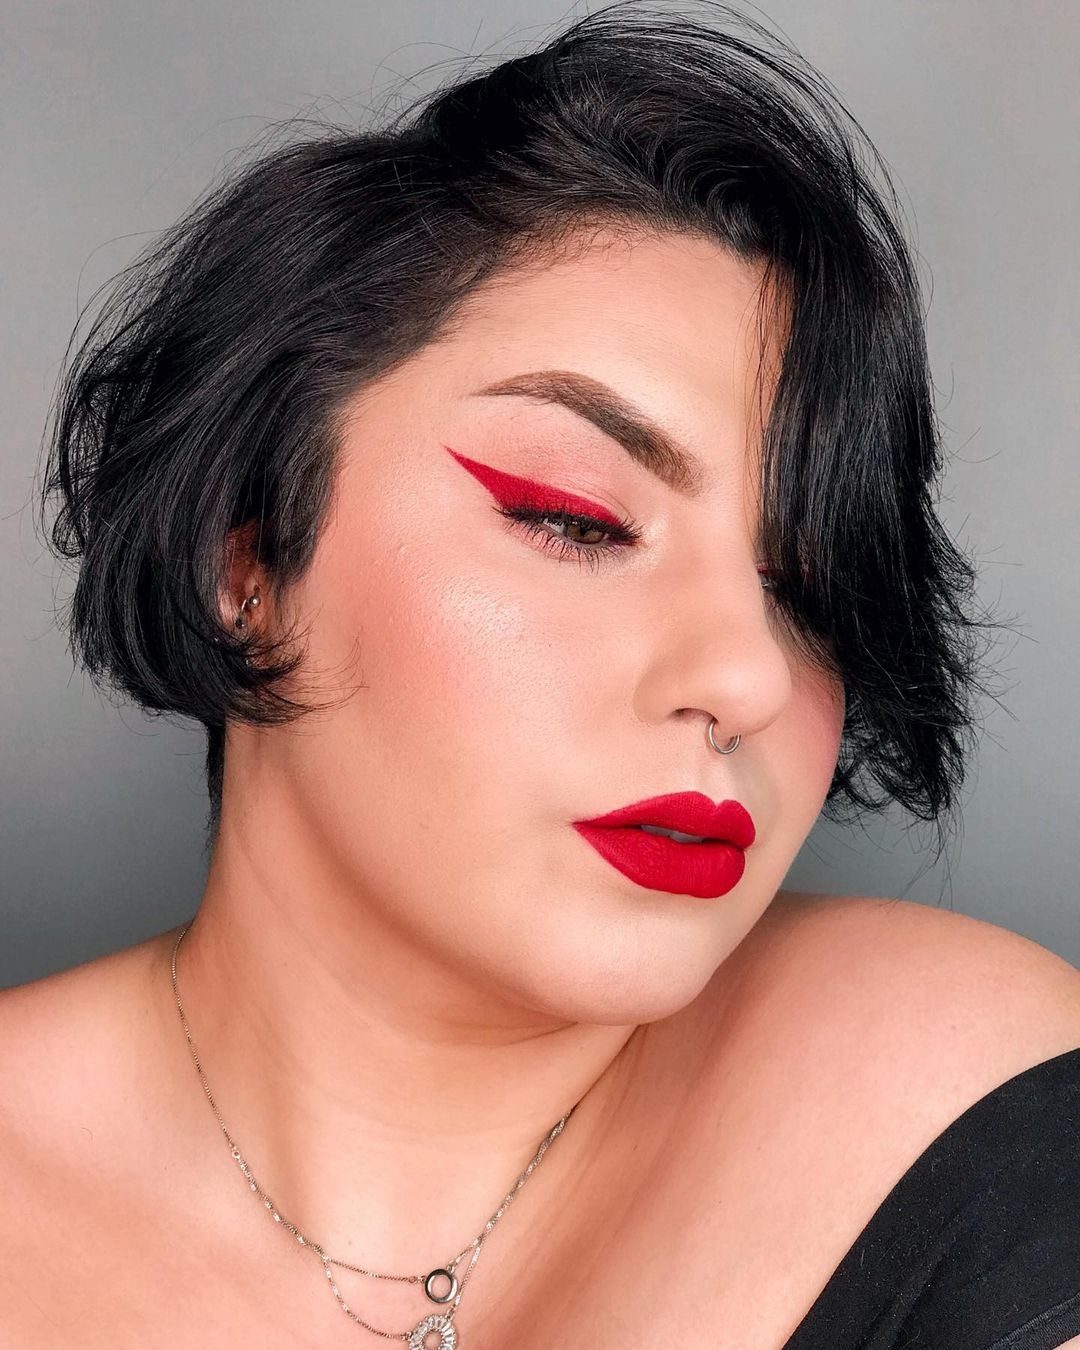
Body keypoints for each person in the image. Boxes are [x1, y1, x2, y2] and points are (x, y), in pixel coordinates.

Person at [2, 3, 1077, 1347]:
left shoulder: (951, 1095)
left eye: (809, 595)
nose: (748, 674)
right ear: (249, 551)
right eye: (576, 520)